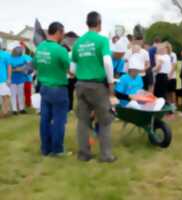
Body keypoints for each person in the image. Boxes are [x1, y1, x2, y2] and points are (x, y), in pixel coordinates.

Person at [72, 11, 116, 162]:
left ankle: (83, 154)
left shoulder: (78, 42)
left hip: (80, 85)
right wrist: (110, 82)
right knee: (105, 120)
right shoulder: (102, 40)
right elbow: (108, 62)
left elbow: (72, 68)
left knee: (83, 121)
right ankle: (106, 156)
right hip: (97, 86)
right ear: (99, 23)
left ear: (87, 23)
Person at [33, 22, 70, 156]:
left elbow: (35, 65)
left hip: (44, 87)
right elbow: (70, 69)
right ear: (58, 32)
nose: (63, 36)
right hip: (58, 88)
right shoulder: (60, 50)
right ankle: (57, 150)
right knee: (59, 120)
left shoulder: (40, 47)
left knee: (45, 119)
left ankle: (45, 149)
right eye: (63, 33)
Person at [9, 46, 31, 115]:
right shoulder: (10, 58)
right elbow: (9, 69)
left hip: (21, 78)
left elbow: (29, 65)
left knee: (21, 94)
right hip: (13, 79)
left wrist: (22, 68)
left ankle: (21, 109)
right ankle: (14, 110)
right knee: (13, 94)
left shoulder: (23, 57)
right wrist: (15, 70)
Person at [0, 43, 12, 117]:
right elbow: (9, 67)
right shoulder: (6, 54)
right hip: (3, 79)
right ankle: (5, 111)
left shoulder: (6, 54)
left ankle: (5, 111)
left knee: (5, 96)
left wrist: (9, 78)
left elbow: (9, 67)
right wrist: (9, 78)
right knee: (6, 96)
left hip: (3, 79)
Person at [166, 42, 177, 109]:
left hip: (172, 76)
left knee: (172, 91)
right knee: (167, 92)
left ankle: (173, 105)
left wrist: (170, 75)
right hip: (165, 76)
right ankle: (168, 104)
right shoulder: (164, 55)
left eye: (168, 47)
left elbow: (174, 65)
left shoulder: (173, 55)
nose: (167, 49)